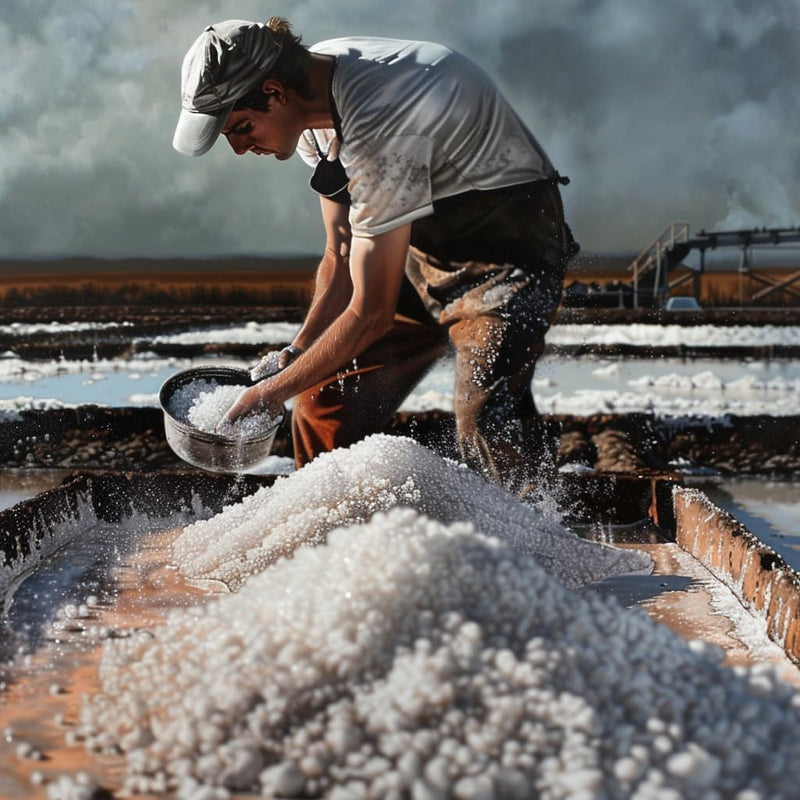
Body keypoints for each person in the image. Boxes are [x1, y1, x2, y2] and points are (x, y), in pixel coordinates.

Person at [172, 17, 578, 494]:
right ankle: (337, 540)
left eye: (241, 127)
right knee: (323, 402)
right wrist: (297, 352)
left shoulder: (382, 118)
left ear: (275, 92)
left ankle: (534, 541)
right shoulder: (312, 109)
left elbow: (370, 312)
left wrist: (268, 393)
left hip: (506, 247)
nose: (240, 148)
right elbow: (342, 249)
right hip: (417, 242)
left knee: (486, 413)